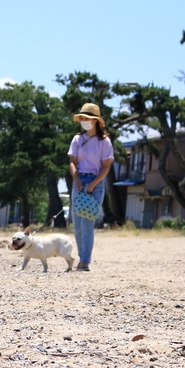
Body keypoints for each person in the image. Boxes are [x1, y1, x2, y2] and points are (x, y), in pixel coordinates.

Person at [68, 103, 113, 272]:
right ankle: (81, 258)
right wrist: (77, 180)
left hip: (97, 182)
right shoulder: (77, 139)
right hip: (78, 181)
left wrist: (92, 185)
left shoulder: (104, 142)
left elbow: (106, 166)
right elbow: (73, 162)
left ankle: (85, 261)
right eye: (82, 118)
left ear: (95, 121)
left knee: (87, 223)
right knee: (77, 224)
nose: (83, 121)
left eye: (86, 118)